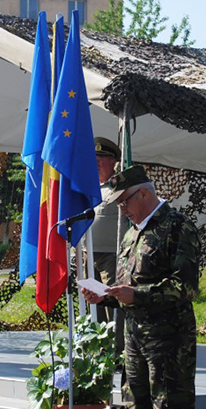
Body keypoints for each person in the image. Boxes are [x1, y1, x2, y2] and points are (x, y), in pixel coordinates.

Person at [82, 165, 200, 409]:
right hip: (135, 341)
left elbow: (185, 288)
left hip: (169, 344)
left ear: (144, 194)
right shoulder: (133, 233)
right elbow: (128, 287)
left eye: (124, 202)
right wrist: (106, 296)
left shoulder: (178, 228)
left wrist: (138, 295)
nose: (121, 209)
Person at [90, 136, 121, 326]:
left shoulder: (121, 187)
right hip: (88, 254)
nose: (96, 164)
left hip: (111, 255)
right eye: (94, 159)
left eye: (100, 160)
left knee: (112, 300)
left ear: (113, 162)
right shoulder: (88, 187)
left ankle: (116, 340)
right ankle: (98, 340)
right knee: (93, 303)